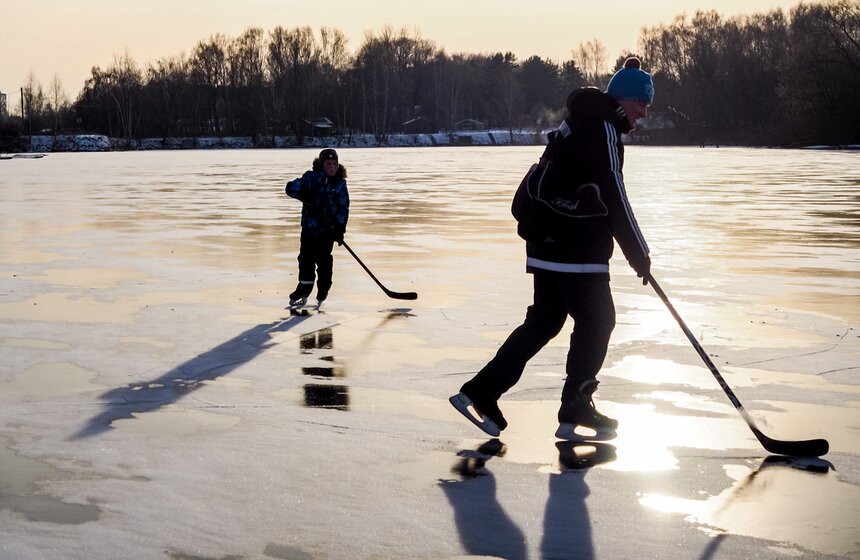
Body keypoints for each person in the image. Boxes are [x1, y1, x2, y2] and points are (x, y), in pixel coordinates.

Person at [450, 57, 653, 441]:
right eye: (641, 103)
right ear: (623, 99)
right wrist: (638, 252)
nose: (643, 112)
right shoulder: (603, 129)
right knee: (599, 320)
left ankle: (481, 391)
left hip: (546, 245)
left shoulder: (577, 121)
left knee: (544, 322)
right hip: (578, 249)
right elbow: (615, 194)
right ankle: (575, 406)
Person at [285, 148, 349, 308]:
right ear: (321, 164)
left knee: (324, 261)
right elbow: (290, 188)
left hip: (327, 231)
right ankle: (304, 289)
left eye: (334, 163)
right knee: (306, 260)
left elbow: (343, 207)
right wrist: (305, 195)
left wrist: (340, 229)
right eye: (328, 163)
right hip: (309, 229)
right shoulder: (310, 178)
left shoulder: (339, 183)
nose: (332, 167)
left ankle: (323, 289)